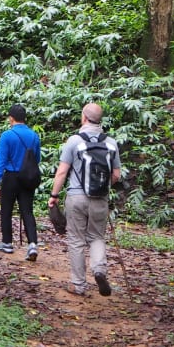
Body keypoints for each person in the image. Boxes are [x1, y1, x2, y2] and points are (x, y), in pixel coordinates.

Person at [48, 103, 121, 296]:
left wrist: (54, 196)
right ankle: (99, 270)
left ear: (84, 117)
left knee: (76, 240)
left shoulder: (74, 141)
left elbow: (62, 171)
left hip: (76, 197)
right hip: (100, 198)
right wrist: (103, 187)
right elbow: (116, 175)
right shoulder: (111, 143)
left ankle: (79, 285)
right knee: (96, 236)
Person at [0, 104, 41, 261]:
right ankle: (32, 244)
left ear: (11, 118)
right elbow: (37, 158)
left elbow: (1, 160)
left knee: (7, 209)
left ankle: (7, 242)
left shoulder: (7, 135)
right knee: (27, 210)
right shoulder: (34, 135)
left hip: (11, 176)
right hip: (28, 177)